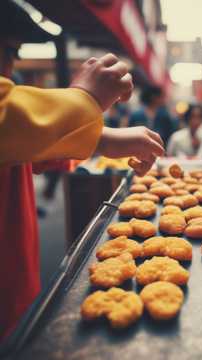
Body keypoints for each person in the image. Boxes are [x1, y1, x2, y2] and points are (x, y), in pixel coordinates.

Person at [0, 0, 164, 341]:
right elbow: (11, 122)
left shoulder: (15, 124)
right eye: (8, 51)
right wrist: (84, 98)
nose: (10, 67)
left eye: (12, 53)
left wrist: (106, 139)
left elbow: (29, 144)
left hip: (13, 288)